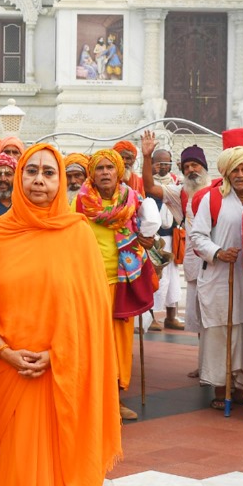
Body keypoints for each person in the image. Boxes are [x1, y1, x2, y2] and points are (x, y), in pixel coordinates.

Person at [0, 142, 121, 486]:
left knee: (57, 470)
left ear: (62, 182)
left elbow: (93, 314)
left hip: (61, 373)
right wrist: (2, 350)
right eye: (31, 171)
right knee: (12, 470)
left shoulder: (77, 235)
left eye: (48, 173)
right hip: (9, 371)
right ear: (18, 179)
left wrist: (57, 353)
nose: (38, 180)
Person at [75, 149, 160, 421]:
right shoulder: (79, 203)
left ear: (118, 172)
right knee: (92, 343)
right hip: (90, 284)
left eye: (109, 168)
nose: (104, 173)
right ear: (92, 174)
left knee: (120, 345)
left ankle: (115, 400)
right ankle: (91, 400)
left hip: (125, 281)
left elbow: (146, 235)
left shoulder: (133, 200)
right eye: (99, 168)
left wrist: (146, 240)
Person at [190, 146, 243, 408]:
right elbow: (197, 236)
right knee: (218, 332)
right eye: (235, 169)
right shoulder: (213, 199)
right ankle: (220, 387)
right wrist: (218, 252)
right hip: (218, 277)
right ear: (226, 172)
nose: (239, 174)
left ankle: (242, 386)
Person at [141, 136, 210, 366]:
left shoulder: (216, 191)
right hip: (194, 260)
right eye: (187, 166)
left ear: (204, 167)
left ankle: (212, 368)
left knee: (216, 316)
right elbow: (149, 187)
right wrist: (147, 156)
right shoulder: (179, 192)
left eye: (195, 165)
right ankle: (203, 365)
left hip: (218, 260)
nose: (191, 170)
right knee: (199, 315)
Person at [145, 147, 182, 331]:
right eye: (159, 163)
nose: (163, 167)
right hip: (154, 238)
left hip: (172, 237)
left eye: (166, 164)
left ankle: (170, 317)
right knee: (155, 278)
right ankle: (151, 317)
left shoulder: (176, 181)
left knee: (172, 279)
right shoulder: (147, 182)